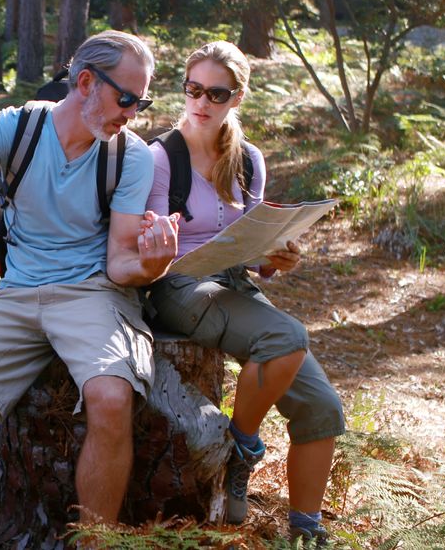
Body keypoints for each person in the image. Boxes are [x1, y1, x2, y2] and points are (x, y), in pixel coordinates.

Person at [0, 30, 179, 550]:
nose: (131, 114)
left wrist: (153, 266)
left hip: (94, 295)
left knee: (110, 397)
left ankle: (95, 544)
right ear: (85, 82)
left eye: (142, 101)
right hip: (18, 294)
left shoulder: (129, 157)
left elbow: (118, 263)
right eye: (126, 99)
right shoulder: (17, 127)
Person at [144, 41, 346, 544]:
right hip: (177, 285)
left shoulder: (248, 159)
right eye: (193, 89)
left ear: (237, 98)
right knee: (286, 335)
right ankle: (243, 447)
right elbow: (144, 243)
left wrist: (275, 258)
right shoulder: (159, 157)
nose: (202, 102)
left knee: (323, 406)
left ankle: (305, 529)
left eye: (217, 92)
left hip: (232, 283)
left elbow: (249, 240)